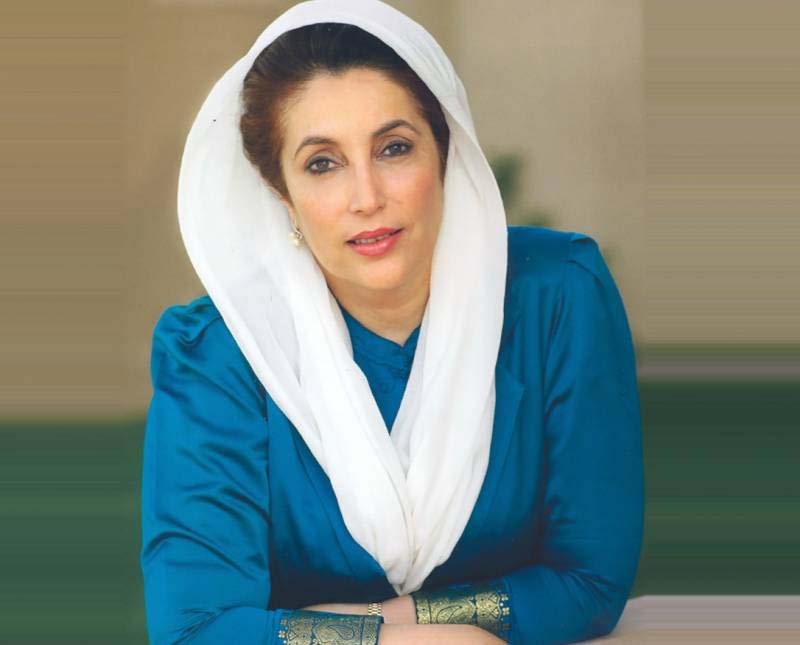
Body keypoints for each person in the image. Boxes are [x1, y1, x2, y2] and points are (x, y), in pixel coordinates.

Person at [139, 1, 644, 644]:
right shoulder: (218, 352)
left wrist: (378, 620)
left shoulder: (558, 295)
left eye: (394, 149)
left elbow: (590, 583)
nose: (367, 197)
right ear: (282, 194)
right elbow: (194, 629)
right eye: (323, 163)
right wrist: (429, 640)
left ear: (446, 152)